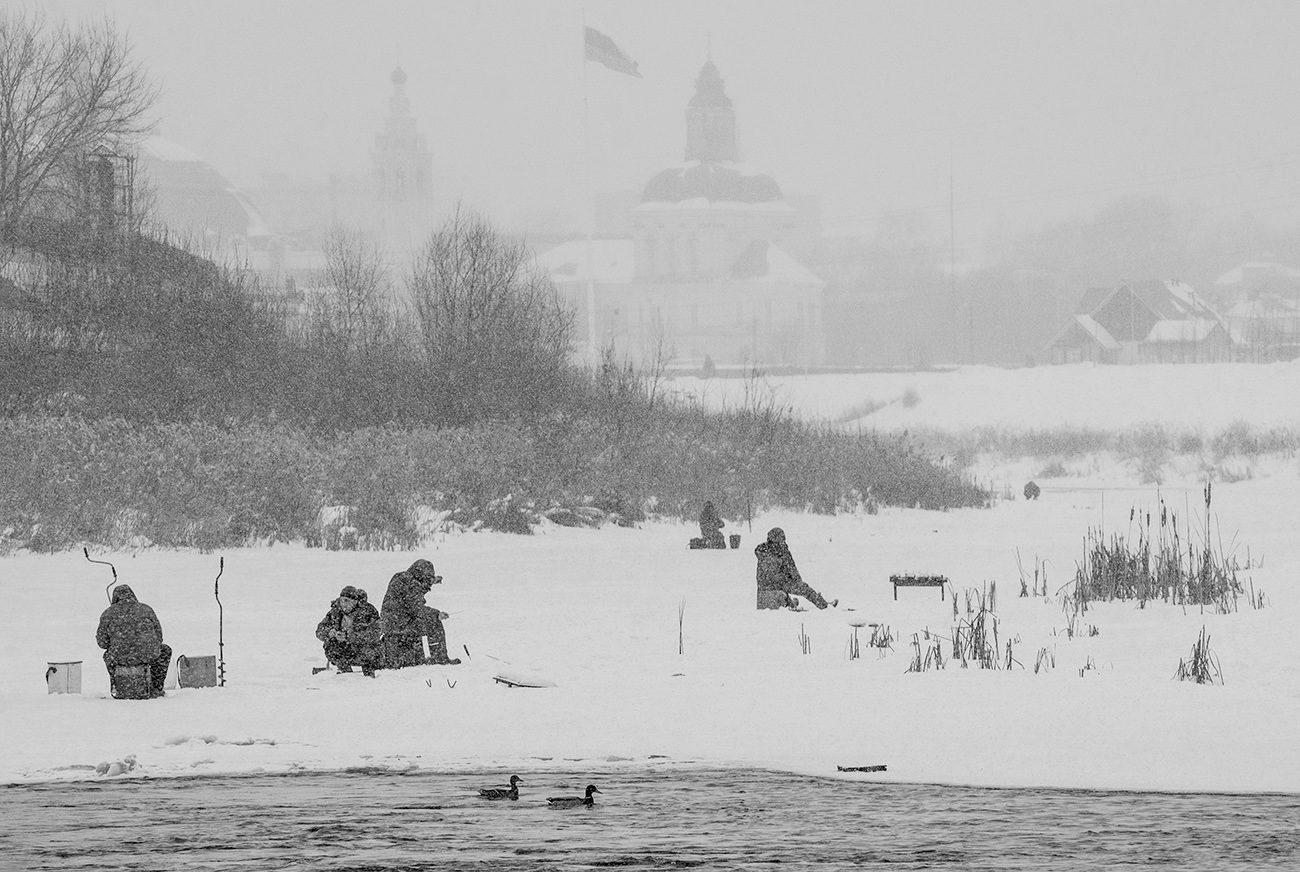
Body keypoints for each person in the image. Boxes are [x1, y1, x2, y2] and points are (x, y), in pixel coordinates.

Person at [381, 559, 461, 667]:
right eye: (428, 578)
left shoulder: (400, 577)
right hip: (401, 623)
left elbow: (409, 599)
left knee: (419, 620)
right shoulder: (413, 584)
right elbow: (417, 608)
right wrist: (437, 614)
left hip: (390, 623)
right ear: (422, 576)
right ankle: (439, 658)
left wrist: (430, 581)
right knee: (434, 621)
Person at [96, 584, 171, 698]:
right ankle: (156, 687)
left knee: (108, 656)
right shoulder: (146, 609)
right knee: (165, 650)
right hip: (147, 655)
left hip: (119, 657)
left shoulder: (107, 613)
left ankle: (118, 685)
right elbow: (159, 638)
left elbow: (102, 643)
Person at [754, 527, 836, 610]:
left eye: (783, 540)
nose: (782, 542)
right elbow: (771, 575)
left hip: (783, 582)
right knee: (784, 595)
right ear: (773, 540)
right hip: (770, 586)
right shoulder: (765, 553)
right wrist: (789, 580)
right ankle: (792, 604)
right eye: (780, 540)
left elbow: (791, 567)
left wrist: (798, 581)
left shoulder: (783, 550)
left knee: (805, 589)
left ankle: (823, 605)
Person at [315, 585, 383, 677]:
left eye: (347, 601)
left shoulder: (368, 611)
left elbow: (376, 632)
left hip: (365, 650)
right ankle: (345, 672)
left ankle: (369, 673)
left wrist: (350, 636)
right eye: (342, 600)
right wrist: (330, 633)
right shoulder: (335, 612)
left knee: (370, 651)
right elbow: (320, 630)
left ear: (355, 601)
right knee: (331, 645)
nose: (343, 604)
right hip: (346, 649)